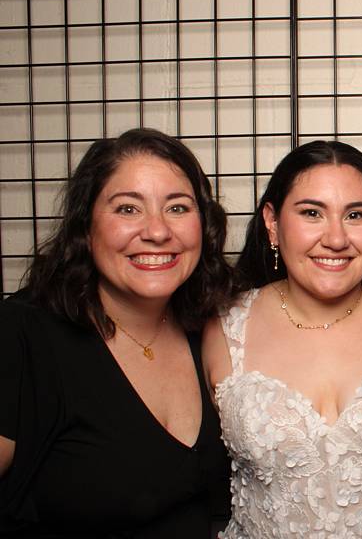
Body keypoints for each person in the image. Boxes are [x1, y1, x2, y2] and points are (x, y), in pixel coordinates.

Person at [203, 140, 362, 538]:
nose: (336, 238)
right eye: (311, 213)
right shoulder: (225, 324)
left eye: (355, 215)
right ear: (272, 221)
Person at [0, 128, 233, 537]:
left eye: (178, 208)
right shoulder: (21, 335)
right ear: (86, 227)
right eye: (128, 209)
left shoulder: (211, 329)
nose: (157, 231)